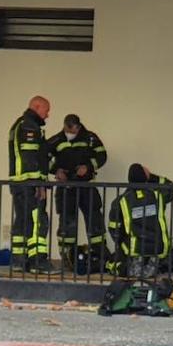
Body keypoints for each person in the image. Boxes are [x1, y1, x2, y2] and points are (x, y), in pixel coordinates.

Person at [100, 163, 173, 316]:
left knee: (121, 269)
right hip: (156, 251)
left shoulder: (121, 201)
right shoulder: (157, 195)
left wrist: (122, 247)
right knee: (147, 275)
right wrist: (152, 177)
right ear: (145, 178)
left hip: (134, 252)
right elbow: (171, 187)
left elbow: (114, 228)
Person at [47, 114, 108, 269]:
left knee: (95, 221)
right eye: (71, 129)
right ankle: (67, 257)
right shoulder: (56, 140)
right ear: (65, 126)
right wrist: (56, 170)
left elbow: (102, 155)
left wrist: (88, 167)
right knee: (67, 224)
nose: (74, 132)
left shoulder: (90, 138)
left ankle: (100, 255)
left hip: (86, 186)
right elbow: (43, 158)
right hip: (66, 188)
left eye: (77, 128)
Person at [8, 95, 56, 275]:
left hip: (19, 183)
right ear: (36, 106)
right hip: (30, 184)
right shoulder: (30, 126)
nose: (48, 114)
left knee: (22, 221)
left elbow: (39, 157)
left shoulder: (19, 124)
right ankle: (38, 262)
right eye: (46, 110)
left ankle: (19, 261)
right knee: (38, 221)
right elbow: (30, 158)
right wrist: (39, 184)